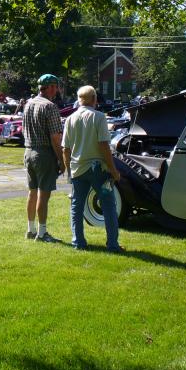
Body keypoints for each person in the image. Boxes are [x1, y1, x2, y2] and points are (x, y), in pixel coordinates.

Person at [62, 85, 123, 251]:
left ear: (79, 100)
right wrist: (113, 169)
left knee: (77, 206)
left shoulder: (70, 119)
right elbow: (104, 145)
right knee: (108, 205)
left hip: (77, 168)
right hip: (98, 169)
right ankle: (112, 244)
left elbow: (65, 149)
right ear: (94, 99)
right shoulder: (99, 117)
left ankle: (78, 242)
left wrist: (68, 171)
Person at [22, 74, 65, 242]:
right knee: (44, 194)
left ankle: (30, 230)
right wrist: (61, 159)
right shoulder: (50, 106)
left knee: (32, 192)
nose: (57, 89)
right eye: (55, 86)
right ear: (49, 87)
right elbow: (56, 138)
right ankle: (42, 233)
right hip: (44, 154)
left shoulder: (28, 104)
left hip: (28, 151)